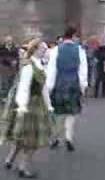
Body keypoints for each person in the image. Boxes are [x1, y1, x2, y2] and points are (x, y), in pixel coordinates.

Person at [0, 38, 53, 178]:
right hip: (29, 104)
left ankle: (9, 160)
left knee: (23, 137)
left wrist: (49, 105)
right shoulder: (29, 66)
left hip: (37, 102)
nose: (44, 52)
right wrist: (22, 106)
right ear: (34, 49)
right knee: (30, 139)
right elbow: (23, 88)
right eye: (42, 49)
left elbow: (43, 88)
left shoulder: (39, 65)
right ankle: (23, 168)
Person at [47, 27, 88, 152]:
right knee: (71, 113)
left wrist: (49, 88)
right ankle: (69, 138)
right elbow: (83, 71)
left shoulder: (55, 50)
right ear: (73, 36)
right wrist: (83, 86)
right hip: (73, 83)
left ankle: (56, 138)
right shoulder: (80, 50)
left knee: (58, 113)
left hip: (59, 83)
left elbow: (52, 70)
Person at [0, 36, 19, 100]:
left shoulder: (15, 49)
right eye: (8, 40)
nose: (9, 42)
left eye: (10, 40)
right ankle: (3, 97)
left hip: (13, 69)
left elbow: (17, 57)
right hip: (4, 68)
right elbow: (1, 58)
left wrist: (16, 63)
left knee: (11, 83)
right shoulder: (1, 48)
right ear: (5, 41)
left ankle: (10, 96)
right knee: (4, 83)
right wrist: (9, 62)